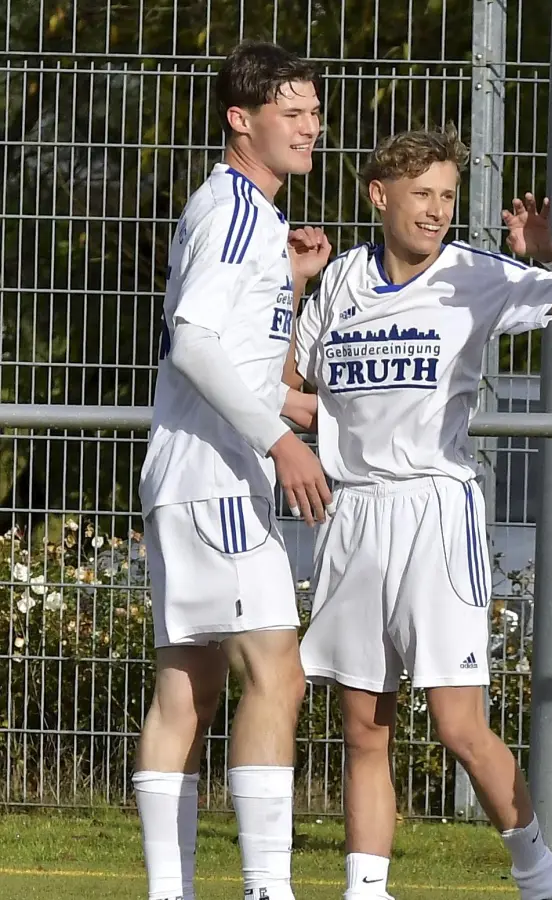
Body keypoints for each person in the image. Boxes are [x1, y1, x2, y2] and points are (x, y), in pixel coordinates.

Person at [288, 127, 552, 900]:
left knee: (459, 726)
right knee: (363, 726)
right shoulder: (341, 280)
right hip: (353, 513)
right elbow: (287, 382)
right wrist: (295, 284)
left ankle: (541, 879)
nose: (437, 210)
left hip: (435, 514)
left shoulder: (476, 273)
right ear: (379, 196)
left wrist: (550, 253)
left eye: (447, 195)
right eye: (422, 194)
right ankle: (365, 890)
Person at [135, 39, 332, 900]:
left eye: (314, 113)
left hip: (188, 474)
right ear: (240, 120)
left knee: (189, 689)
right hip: (215, 478)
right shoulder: (240, 212)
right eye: (290, 113)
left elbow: (230, 354)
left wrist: (290, 289)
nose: (309, 127)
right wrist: (280, 439)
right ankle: (266, 887)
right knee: (278, 674)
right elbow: (193, 342)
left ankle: (168, 891)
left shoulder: (234, 211)